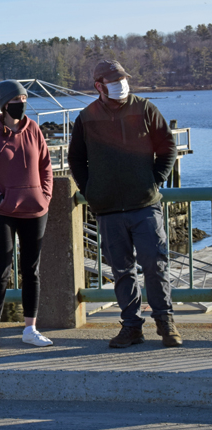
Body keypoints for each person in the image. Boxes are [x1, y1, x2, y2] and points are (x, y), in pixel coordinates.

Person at [68, 60, 180, 348]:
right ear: (99, 85)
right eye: (114, 80)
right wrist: (91, 191)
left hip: (144, 204)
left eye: (123, 79)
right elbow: (77, 160)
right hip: (108, 209)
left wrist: (154, 180)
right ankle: (131, 327)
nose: (121, 84)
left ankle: (166, 324)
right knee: (122, 271)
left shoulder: (144, 108)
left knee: (155, 264)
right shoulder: (86, 117)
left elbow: (167, 147)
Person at [0, 80, 54, 353]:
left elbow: (46, 167)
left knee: (32, 271)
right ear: (5, 104)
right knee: (1, 271)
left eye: (24, 99)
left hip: (35, 211)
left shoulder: (35, 131)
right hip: (0, 213)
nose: (22, 104)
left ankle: (30, 329)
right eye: (17, 99)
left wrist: (45, 197)